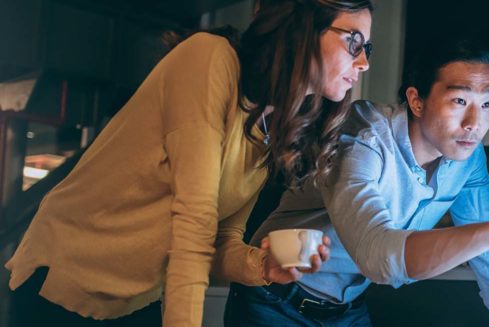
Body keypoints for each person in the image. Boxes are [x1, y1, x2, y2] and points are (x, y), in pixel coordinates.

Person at [4, 0, 374, 326]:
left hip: (132, 301)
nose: (364, 62)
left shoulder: (273, 124)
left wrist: (262, 267)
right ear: (302, 28)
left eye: (367, 47)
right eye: (353, 41)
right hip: (66, 279)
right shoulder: (210, 60)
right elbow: (194, 225)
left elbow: (220, 239)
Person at [226, 38, 489, 326]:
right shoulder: (361, 135)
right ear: (416, 101)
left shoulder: (467, 159)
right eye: (460, 100)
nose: (474, 123)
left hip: (346, 308)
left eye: (487, 104)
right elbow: (377, 255)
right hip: (275, 300)